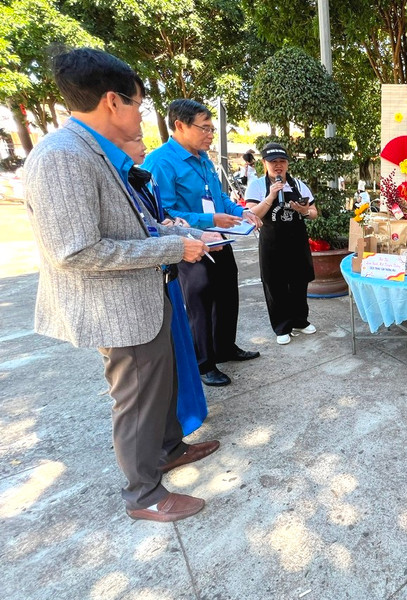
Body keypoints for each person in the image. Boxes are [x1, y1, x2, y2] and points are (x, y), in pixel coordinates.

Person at [23, 48, 220, 522]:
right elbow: (77, 252)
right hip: (117, 308)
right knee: (134, 401)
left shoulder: (100, 153)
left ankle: (170, 448)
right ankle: (144, 495)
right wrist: (174, 249)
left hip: (144, 297)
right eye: (137, 104)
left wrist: (183, 233)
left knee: (162, 383)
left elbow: (134, 227)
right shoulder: (62, 158)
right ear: (113, 101)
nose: (140, 116)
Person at [144, 99, 262, 388]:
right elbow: (163, 213)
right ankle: (204, 362)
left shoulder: (203, 159)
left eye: (212, 129)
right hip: (191, 248)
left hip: (221, 240)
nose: (210, 134)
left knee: (226, 295)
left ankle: (224, 347)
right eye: (205, 128)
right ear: (180, 126)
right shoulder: (160, 162)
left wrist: (241, 212)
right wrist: (206, 223)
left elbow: (219, 198)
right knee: (200, 302)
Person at [122, 135, 209, 436]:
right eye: (134, 138)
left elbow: (156, 222)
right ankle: (162, 447)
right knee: (149, 378)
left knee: (175, 355)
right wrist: (178, 242)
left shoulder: (139, 177)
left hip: (164, 275)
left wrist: (193, 234)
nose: (142, 142)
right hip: (143, 282)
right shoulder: (157, 163)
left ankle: (179, 432)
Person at [244, 142, 318, 344]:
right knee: (274, 284)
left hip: (296, 241)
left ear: (287, 164)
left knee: (299, 281)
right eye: (273, 161)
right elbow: (252, 214)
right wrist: (272, 195)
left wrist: (304, 211)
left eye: (282, 161)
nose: (278, 166)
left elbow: (313, 212)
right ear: (264, 163)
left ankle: (300, 321)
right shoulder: (257, 185)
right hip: (271, 242)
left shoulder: (299, 185)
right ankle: (281, 326)